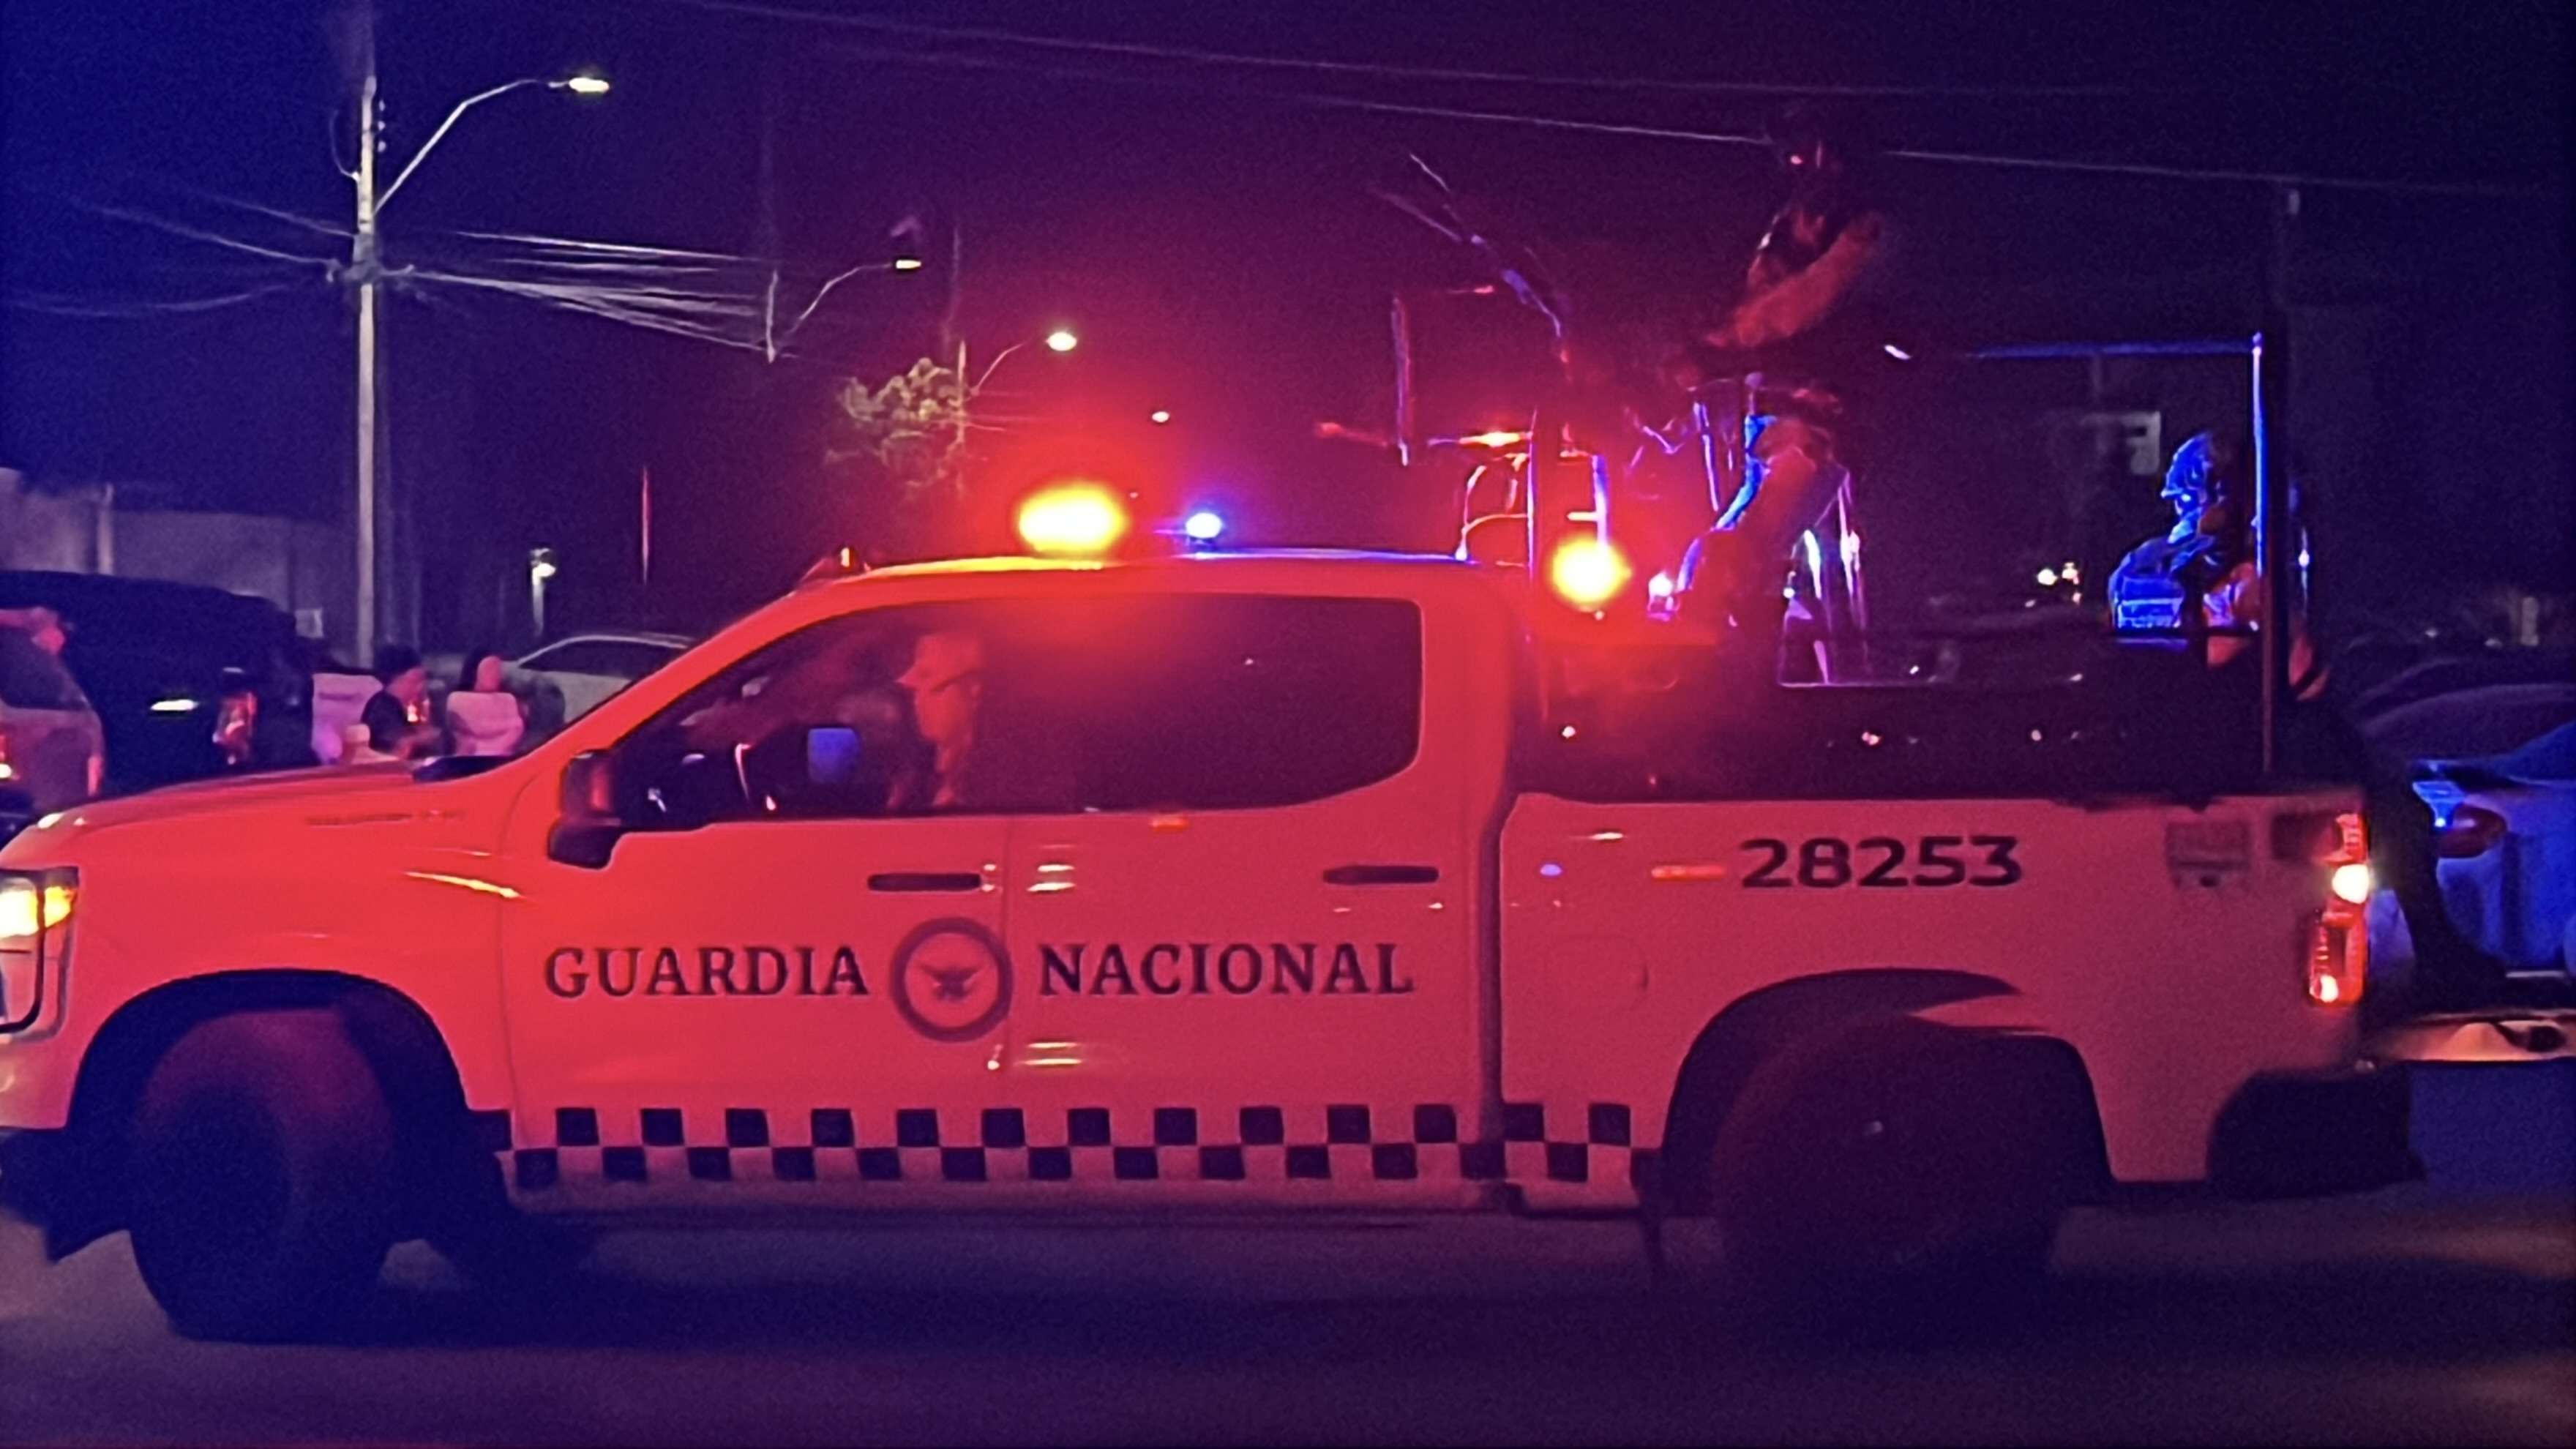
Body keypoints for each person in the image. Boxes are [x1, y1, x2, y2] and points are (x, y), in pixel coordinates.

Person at [1671, 105, 1898, 659]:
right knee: (1740, 544)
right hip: (1787, 416)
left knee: (1747, 544)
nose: (1796, 164)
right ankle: (1717, 642)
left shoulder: (1861, 231)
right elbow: (1780, 298)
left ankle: (1725, 647)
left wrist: (1724, 342)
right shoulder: (1796, 225)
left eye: (1804, 152)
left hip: (1811, 414)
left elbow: (1807, 299)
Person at [2110, 430, 2321, 692]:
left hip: (2145, 704)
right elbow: (2305, 681)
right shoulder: (2247, 578)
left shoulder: (2136, 565)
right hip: (2207, 707)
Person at [888, 629, 986, 812]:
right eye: (915, 687)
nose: (917, 698)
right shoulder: (919, 774)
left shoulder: (992, 785)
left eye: (927, 679)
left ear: (974, 690)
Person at [356, 645, 438, 763]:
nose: (421, 687)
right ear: (397, 679)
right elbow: (399, 748)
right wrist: (421, 739)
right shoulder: (382, 708)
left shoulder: (408, 707)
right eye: (416, 679)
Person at [443, 648, 526, 757]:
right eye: (489, 670)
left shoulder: (510, 701)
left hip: (508, 761)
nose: (494, 675)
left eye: (497, 670)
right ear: (474, 672)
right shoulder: (457, 701)